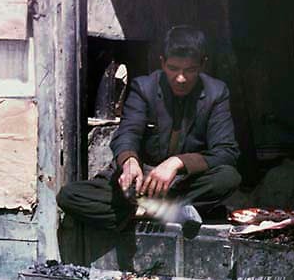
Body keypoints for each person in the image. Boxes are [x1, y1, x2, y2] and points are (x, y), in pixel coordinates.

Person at [57, 26, 241, 237]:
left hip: (182, 182)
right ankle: (161, 211)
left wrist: (176, 163)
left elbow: (226, 152)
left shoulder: (216, 93)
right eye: (173, 68)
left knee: (228, 177)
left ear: (202, 65)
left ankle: (141, 212)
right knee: (70, 195)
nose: (180, 78)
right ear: (162, 62)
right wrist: (129, 162)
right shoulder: (144, 88)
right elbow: (127, 134)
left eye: (189, 70)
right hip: (141, 185)